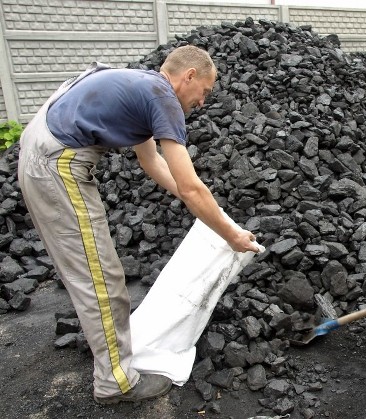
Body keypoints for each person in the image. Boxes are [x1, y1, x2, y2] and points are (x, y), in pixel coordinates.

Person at [17, 45, 260, 404]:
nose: (203, 102)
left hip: (44, 153)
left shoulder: (143, 88)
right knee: (101, 277)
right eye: (205, 91)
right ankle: (115, 382)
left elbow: (152, 163)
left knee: (97, 273)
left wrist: (209, 212)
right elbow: (192, 186)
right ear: (189, 76)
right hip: (56, 165)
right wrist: (231, 235)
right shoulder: (163, 97)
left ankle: (111, 359)